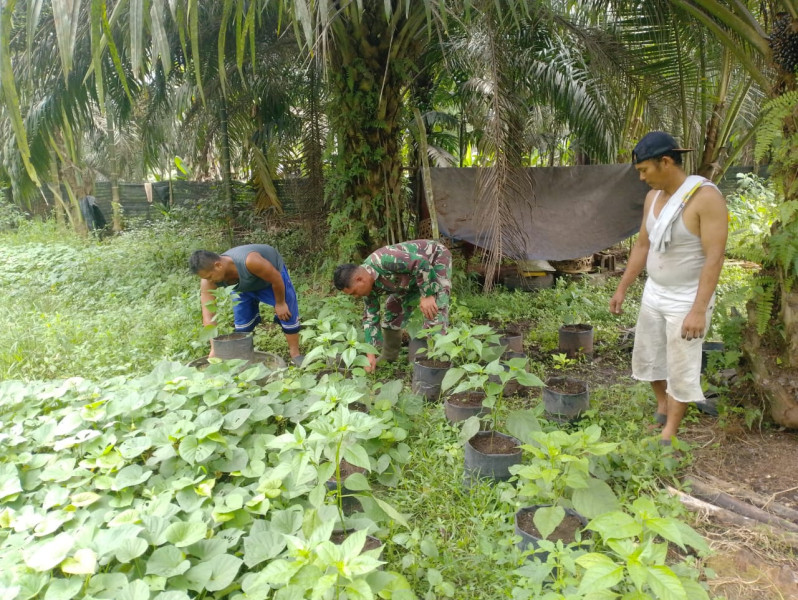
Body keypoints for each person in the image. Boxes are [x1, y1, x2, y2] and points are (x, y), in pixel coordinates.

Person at [609, 131, 728, 445]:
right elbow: (642, 245)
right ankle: (663, 403)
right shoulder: (653, 197)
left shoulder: (705, 198)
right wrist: (622, 288)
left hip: (687, 298)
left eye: (644, 170)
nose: (642, 177)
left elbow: (715, 257)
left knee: (681, 365)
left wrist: (698, 310)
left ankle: (669, 432)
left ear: (665, 162)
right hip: (654, 292)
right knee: (649, 355)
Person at [333, 239, 452, 373]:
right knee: (392, 306)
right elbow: (370, 318)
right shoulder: (367, 287)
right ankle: (389, 356)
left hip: (434, 258)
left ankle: (437, 363)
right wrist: (370, 355)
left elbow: (421, 263)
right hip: (412, 277)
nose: (355, 296)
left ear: (359, 279)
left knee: (434, 309)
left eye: (354, 292)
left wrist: (427, 294)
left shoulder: (384, 260)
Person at [189, 245, 301, 363]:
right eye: (206, 278)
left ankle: (295, 354)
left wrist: (280, 303)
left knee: (287, 314)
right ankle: (244, 358)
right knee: (242, 324)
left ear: (218, 265)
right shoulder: (208, 281)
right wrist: (214, 348)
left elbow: (276, 278)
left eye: (210, 277)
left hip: (270, 279)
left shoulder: (250, 261)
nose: (209, 281)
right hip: (242, 288)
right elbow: (208, 314)